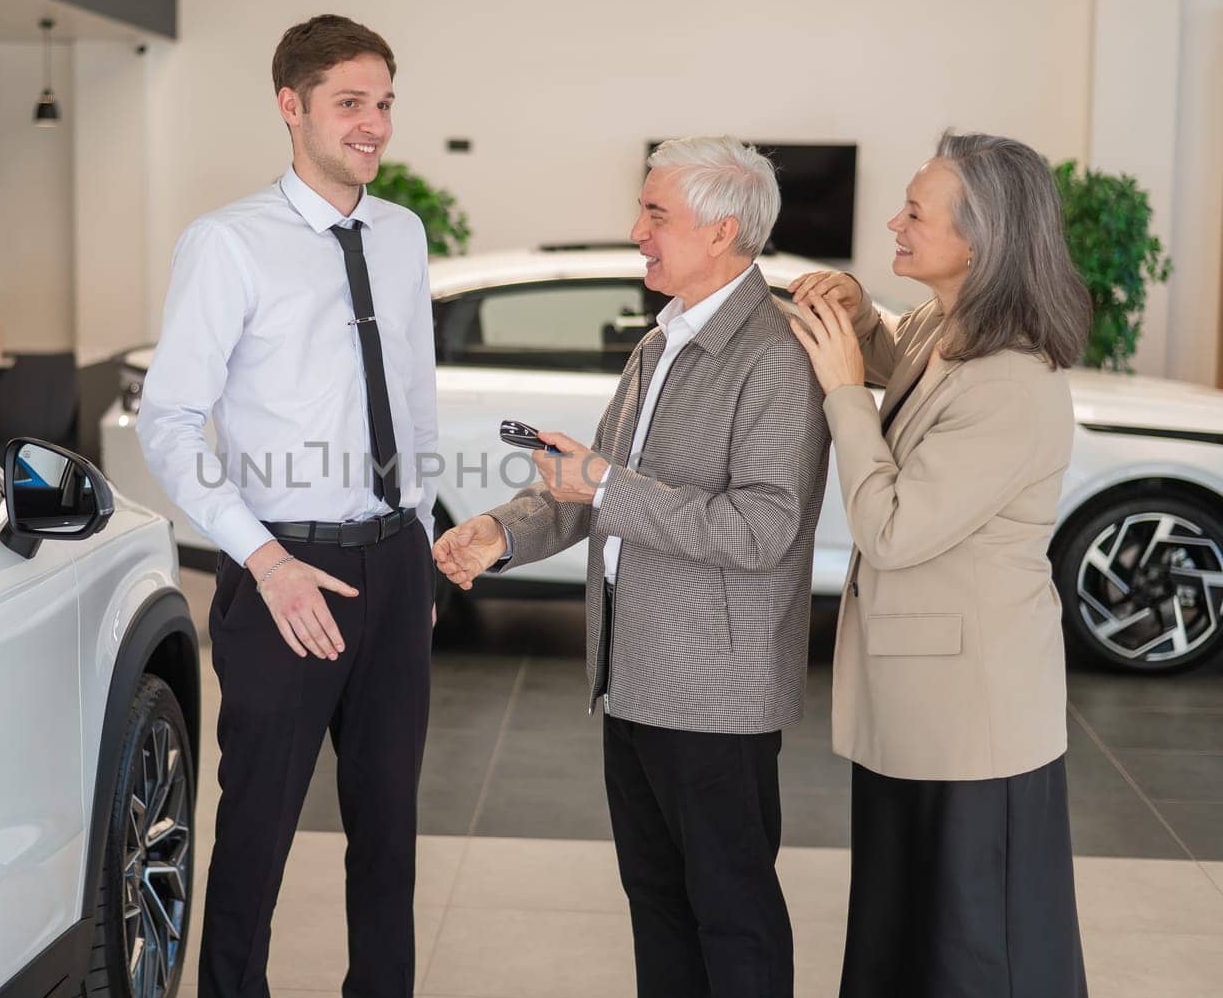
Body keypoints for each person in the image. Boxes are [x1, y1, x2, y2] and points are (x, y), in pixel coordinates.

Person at [436, 136, 830, 998]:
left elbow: (762, 528)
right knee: (656, 900)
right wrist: (500, 533)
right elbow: (595, 488)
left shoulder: (775, 357)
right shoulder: (661, 342)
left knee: (732, 912)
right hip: (636, 676)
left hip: (716, 694)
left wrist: (605, 481)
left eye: (657, 214)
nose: (636, 231)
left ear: (724, 230)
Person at [137, 14, 436, 998]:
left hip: (394, 567)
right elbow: (171, 422)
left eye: (384, 103)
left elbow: (414, 393)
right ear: (291, 106)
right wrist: (261, 561)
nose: (373, 124)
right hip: (282, 572)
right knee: (257, 836)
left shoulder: (400, 235)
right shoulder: (228, 244)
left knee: (389, 834)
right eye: (350, 101)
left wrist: (422, 543)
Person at [788, 129, 1091, 998]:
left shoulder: (1012, 384)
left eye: (915, 212)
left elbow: (888, 528)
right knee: (905, 941)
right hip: (920, 710)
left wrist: (846, 391)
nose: (894, 221)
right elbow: (899, 352)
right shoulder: (948, 327)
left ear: (980, 240)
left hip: (974, 725)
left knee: (974, 957)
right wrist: (854, 311)